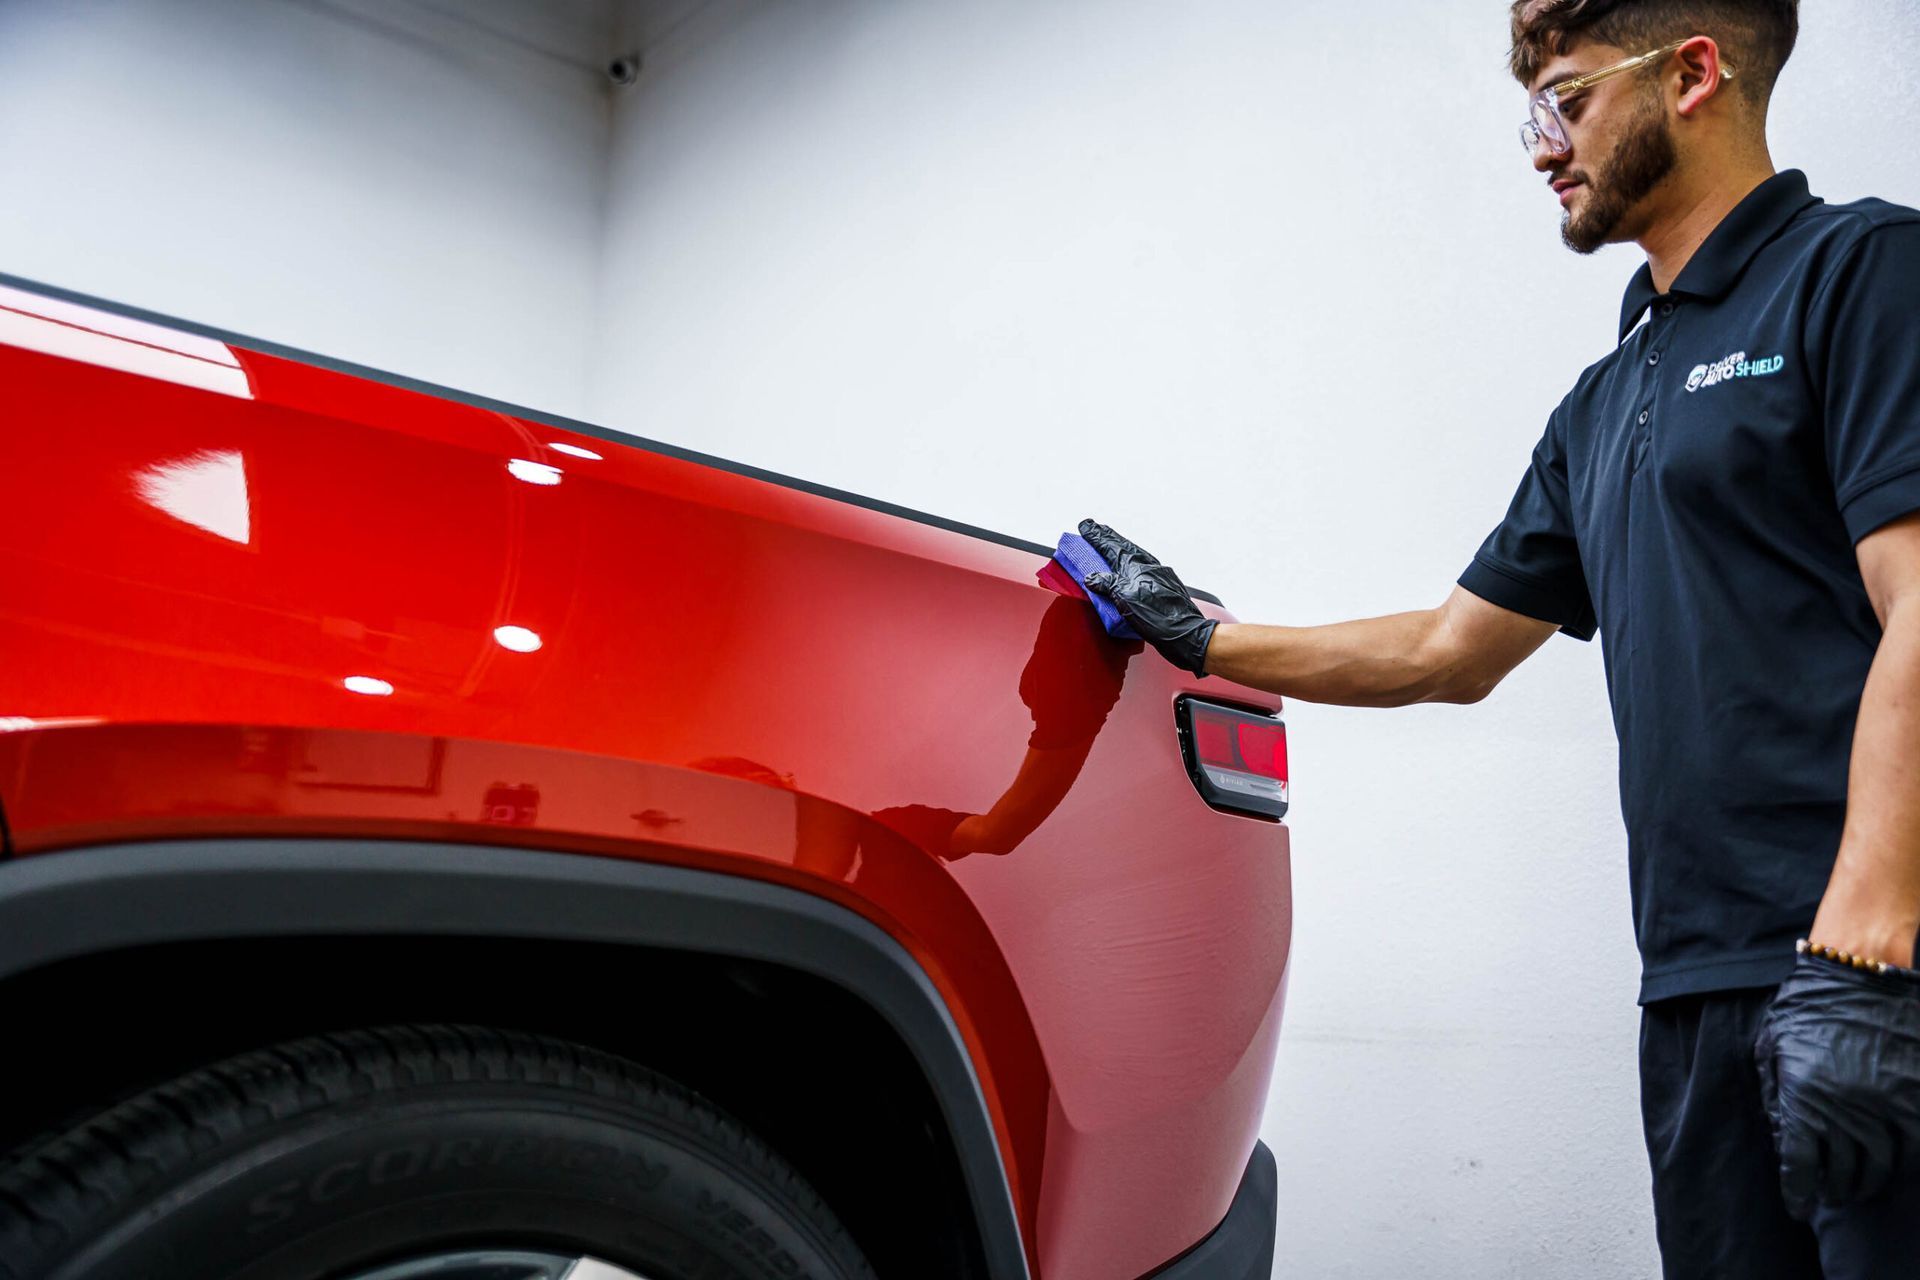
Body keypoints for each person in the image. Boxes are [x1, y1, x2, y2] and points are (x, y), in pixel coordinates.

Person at [1080, 2, 1920, 1276]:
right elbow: (1447, 648)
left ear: (1694, 73)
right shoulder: (1603, 400)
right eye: (1535, 111)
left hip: (1872, 977)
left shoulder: (1860, 273)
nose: (1542, 146)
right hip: (1689, 995)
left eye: (1569, 99)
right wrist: (1204, 636)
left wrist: (1867, 946)